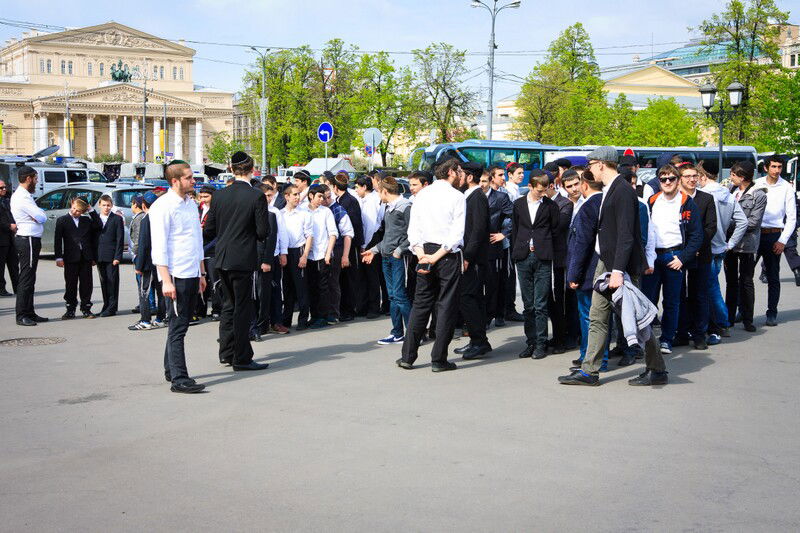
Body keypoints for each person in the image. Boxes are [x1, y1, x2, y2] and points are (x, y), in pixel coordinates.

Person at [558, 147, 667, 387]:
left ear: (601, 164)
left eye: (590, 165)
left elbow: (627, 234)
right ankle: (589, 371)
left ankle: (657, 369)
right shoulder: (610, 189)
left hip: (619, 267)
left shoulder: (623, 191)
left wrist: (618, 271)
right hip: (606, 263)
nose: (589, 171)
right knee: (597, 317)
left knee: (637, 319)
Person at [203, 152, 270, 371]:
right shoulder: (256, 196)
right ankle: (241, 357)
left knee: (228, 306)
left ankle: (226, 352)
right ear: (252, 170)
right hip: (242, 258)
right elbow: (263, 231)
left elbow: (209, 229)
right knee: (242, 307)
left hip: (222, 257)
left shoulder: (220, 195)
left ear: (231, 169)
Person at [398, 158, 466, 372]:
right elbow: (457, 234)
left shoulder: (423, 194)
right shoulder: (457, 196)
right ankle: (438, 359)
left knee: (421, 305)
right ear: (451, 172)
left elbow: (413, 230)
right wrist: (435, 256)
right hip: (446, 255)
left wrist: (422, 255)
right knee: (446, 306)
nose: (462, 175)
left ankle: (407, 357)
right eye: (459, 171)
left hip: (425, 252)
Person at [148, 161, 206, 393]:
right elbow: (159, 247)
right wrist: (166, 281)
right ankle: (179, 379)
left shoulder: (190, 204)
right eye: (189, 177)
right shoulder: (163, 206)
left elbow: (197, 241)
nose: (194, 181)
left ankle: (170, 369)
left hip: (191, 272)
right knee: (178, 328)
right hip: (175, 274)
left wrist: (201, 273)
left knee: (179, 324)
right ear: (175, 181)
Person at [641, 164, 703, 355]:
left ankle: (667, 339)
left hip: (674, 256)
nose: (667, 182)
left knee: (672, 301)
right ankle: (646, 340)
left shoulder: (687, 203)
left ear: (677, 181)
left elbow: (696, 235)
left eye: (671, 179)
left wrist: (682, 258)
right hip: (653, 256)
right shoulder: (652, 201)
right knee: (647, 300)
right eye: (663, 179)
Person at [511, 170, 559, 359]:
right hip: (523, 257)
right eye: (539, 190)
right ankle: (531, 342)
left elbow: (555, 231)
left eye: (545, 190)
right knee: (528, 304)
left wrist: (547, 250)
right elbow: (516, 229)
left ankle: (541, 343)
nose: (543, 194)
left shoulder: (550, 206)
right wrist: (517, 252)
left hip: (543, 257)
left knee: (540, 304)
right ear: (530, 186)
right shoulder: (518, 204)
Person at [697, 164, 747, 344]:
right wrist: (730, 243)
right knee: (712, 285)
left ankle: (722, 322)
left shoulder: (704, 195)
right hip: (721, 247)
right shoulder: (728, 194)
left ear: (703, 176)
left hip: (709, 246)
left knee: (710, 287)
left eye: (697, 177)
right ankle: (719, 322)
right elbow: (742, 222)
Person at [362, 176, 412, 345]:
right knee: (392, 296)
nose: (378, 195)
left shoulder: (405, 207)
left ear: (384, 191)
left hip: (398, 258)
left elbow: (413, 234)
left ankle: (414, 334)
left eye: (378, 192)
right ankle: (397, 333)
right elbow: (389, 237)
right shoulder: (389, 208)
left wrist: (399, 251)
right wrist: (374, 250)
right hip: (386, 257)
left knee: (400, 296)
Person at [566, 170, 607, 369]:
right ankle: (594, 357)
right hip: (602, 268)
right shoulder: (605, 202)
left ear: (584, 185)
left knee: (589, 317)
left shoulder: (589, 206)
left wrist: (573, 274)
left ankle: (590, 358)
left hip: (589, 271)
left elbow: (582, 244)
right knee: (599, 318)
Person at [674, 163, 717, 350]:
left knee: (699, 295)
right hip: (679, 254)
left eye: (695, 176)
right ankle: (681, 332)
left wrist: (695, 247)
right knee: (678, 295)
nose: (692, 180)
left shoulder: (706, 199)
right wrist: (686, 250)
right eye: (687, 176)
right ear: (680, 179)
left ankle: (700, 334)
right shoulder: (674, 198)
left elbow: (711, 227)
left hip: (701, 254)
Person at [453, 162, 492, 360]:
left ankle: (479, 342)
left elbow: (478, 231)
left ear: (469, 177)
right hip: (469, 256)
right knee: (470, 298)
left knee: (469, 298)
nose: (457, 176)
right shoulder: (469, 195)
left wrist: (467, 256)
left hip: (474, 259)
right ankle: (477, 340)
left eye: (460, 173)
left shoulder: (477, 197)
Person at [725, 161, 767, 333]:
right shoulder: (731, 190)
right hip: (730, 244)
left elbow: (753, 222)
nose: (730, 178)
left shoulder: (759, 195)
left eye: (733, 175)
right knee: (731, 281)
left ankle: (747, 318)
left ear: (742, 177)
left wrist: (730, 225)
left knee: (746, 281)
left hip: (747, 244)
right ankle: (728, 317)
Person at [754, 155, 796, 326]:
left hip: (774, 235)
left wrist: (782, 240)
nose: (776, 170)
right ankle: (744, 311)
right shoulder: (757, 184)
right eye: (773, 166)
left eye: (779, 167)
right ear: (766, 168)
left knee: (773, 277)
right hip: (755, 234)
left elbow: (792, 218)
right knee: (746, 275)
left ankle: (772, 312)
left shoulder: (786, 187)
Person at [10, 166, 48, 326]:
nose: (37, 181)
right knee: (26, 278)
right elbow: (42, 216)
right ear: (28, 179)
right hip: (28, 239)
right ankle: (22, 315)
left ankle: (30, 312)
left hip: (30, 239)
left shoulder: (25, 195)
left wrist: (38, 214)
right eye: (35, 178)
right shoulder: (22, 197)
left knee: (30, 277)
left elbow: (39, 215)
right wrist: (39, 214)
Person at [547, 169, 579, 352]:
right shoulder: (560, 202)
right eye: (569, 186)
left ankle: (571, 335)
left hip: (569, 256)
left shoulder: (567, 204)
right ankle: (561, 334)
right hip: (555, 256)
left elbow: (558, 228)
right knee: (557, 298)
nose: (574, 189)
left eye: (576, 184)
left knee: (569, 298)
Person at [54, 198, 97, 319]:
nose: (74, 212)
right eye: (73, 208)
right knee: (70, 284)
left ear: (82, 211)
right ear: (71, 205)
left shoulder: (86, 220)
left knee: (86, 284)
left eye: (78, 211)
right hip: (70, 257)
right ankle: (70, 308)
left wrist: (91, 210)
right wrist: (58, 257)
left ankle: (86, 308)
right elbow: (58, 240)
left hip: (86, 257)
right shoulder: (62, 220)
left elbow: (98, 226)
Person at [129, 192, 166, 331]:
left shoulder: (146, 219)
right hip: (161, 261)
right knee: (161, 292)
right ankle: (160, 318)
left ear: (143, 205)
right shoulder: (161, 218)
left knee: (144, 291)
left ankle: (145, 320)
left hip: (148, 262)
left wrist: (138, 265)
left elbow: (143, 244)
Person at [482, 166, 513, 327]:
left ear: (489, 180)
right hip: (477, 246)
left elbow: (514, 216)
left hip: (495, 246)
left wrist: (504, 234)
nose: (503, 177)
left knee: (497, 281)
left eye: (484, 181)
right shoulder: (471, 195)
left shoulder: (501, 197)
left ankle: (497, 314)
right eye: (500, 175)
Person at [281, 184, 313, 330]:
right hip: (284, 252)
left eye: (299, 194)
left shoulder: (304, 214)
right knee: (287, 288)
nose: (297, 197)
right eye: (294, 194)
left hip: (299, 251)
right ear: (286, 196)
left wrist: (305, 255)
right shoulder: (280, 214)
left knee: (301, 288)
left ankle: (303, 320)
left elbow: (309, 236)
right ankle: (286, 320)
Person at [305, 184, 338, 329]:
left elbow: (333, 233)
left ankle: (323, 316)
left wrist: (328, 253)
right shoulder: (303, 210)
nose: (321, 199)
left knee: (322, 287)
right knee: (311, 287)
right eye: (319, 196)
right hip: (308, 256)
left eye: (323, 197)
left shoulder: (326, 212)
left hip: (322, 254)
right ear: (311, 196)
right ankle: (314, 315)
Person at [332, 174, 363, 322]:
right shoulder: (341, 200)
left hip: (350, 244)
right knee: (343, 278)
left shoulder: (349, 201)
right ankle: (344, 308)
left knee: (350, 278)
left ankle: (350, 309)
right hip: (344, 244)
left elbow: (354, 226)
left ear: (335, 187)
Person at [89, 194, 124, 317]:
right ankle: (106, 305)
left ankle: (112, 307)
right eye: (104, 205)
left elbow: (120, 239)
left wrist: (117, 257)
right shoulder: (95, 219)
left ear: (112, 206)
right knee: (104, 281)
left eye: (108, 205)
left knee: (112, 282)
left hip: (112, 256)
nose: (106, 207)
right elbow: (92, 239)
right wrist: (93, 257)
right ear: (99, 205)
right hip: (99, 255)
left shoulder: (117, 219)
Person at [324, 184, 354, 324]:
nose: (327, 200)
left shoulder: (338, 210)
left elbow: (348, 234)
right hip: (320, 251)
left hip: (336, 250)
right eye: (324, 197)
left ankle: (334, 313)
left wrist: (345, 256)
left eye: (329, 197)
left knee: (333, 283)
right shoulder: (316, 210)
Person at [354, 176, 382, 318]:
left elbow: (370, 227)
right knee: (364, 276)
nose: (356, 190)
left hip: (371, 241)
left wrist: (365, 246)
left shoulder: (371, 202)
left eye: (357, 187)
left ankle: (373, 308)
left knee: (372, 276)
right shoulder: (365, 200)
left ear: (364, 187)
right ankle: (363, 306)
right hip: (368, 241)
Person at [197, 185, 221, 320]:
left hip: (212, 250)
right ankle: (200, 310)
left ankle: (217, 309)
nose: (203, 199)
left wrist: (206, 248)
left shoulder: (217, 211)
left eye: (206, 196)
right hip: (199, 250)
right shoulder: (198, 210)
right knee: (201, 280)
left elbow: (218, 234)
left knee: (214, 281)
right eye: (201, 196)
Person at [0, 179, 19, 297]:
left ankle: (18, 288)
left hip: (11, 238)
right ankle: (1, 289)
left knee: (14, 264)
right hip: (1, 239)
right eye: (1, 188)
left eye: (4, 187)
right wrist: (9, 226)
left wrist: (14, 225)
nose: (4, 189)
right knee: (1, 266)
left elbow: (11, 215)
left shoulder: (6, 200)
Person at [129, 195, 146, 314]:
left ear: (135, 204)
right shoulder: (138, 217)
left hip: (139, 254)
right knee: (140, 282)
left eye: (131, 203)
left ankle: (148, 304)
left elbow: (138, 238)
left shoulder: (140, 218)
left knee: (143, 281)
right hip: (137, 253)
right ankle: (143, 303)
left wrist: (135, 252)